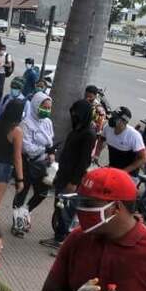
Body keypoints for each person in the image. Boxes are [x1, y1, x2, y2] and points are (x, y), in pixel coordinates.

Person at [42, 99, 97, 249]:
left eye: (76, 113)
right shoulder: (76, 129)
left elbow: (83, 161)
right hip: (63, 174)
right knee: (59, 208)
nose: (73, 116)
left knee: (66, 210)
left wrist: (74, 182)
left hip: (72, 179)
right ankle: (58, 236)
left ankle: (62, 240)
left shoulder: (88, 135)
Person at [11, 92, 55, 237]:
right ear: (36, 105)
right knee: (22, 192)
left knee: (42, 192)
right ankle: (17, 224)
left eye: (49, 108)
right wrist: (45, 149)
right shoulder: (26, 123)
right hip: (27, 164)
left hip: (42, 165)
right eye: (44, 107)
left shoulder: (48, 122)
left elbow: (50, 141)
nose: (47, 110)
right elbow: (27, 148)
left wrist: (51, 152)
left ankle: (26, 212)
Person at [97, 106, 146, 175]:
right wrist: (96, 155)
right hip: (113, 168)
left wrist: (123, 172)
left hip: (129, 174)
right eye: (112, 116)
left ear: (124, 121)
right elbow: (101, 139)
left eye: (115, 118)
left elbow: (143, 158)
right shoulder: (108, 128)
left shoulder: (134, 135)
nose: (111, 119)